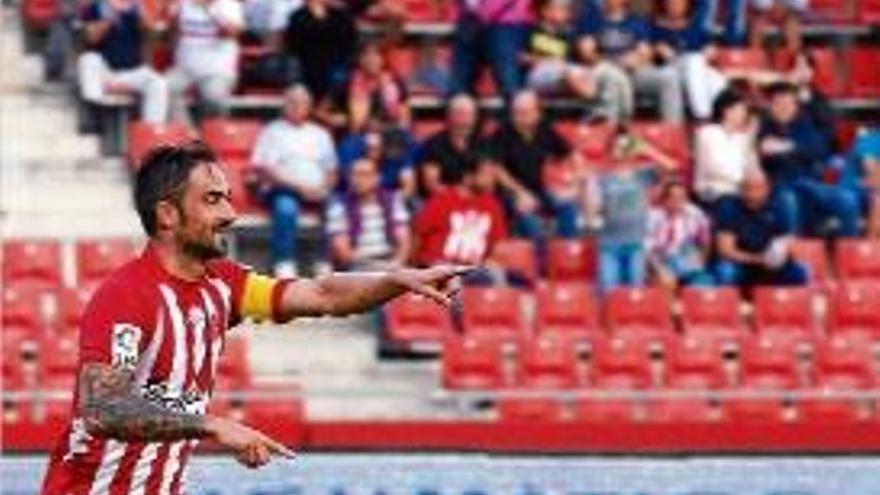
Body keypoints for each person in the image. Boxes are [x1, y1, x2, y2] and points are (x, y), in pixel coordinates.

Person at [39, 142, 469, 495]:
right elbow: (103, 409)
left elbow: (322, 294)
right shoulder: (125, 297)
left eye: (226, 197)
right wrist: (214, 426)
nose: (230, 214)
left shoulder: (223, 285)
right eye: (212, 200)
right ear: (167, 214)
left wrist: (395, 279)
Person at [250, 85, 338, 277]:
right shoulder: (272, 131)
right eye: (293, 103)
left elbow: (332, 170)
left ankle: (324, 261)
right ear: (285, 106)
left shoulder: (320, 134)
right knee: (286, 207)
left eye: (302, 103)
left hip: (317, 189)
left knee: (335, 206)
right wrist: (298, 188)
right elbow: (263, 170)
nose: (298, 107)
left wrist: (324, 187)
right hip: (282, 188)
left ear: (309, 106)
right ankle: (284, 262)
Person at [758, 82, 859, 237]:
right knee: (789, 201)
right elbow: (771, 157)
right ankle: (797, 254)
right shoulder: (765, 127)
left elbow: (819, 150)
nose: (784, 108)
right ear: (771, 106)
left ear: (795, 106)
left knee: (848, 200)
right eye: (779, 104)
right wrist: (799, 149)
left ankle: (847, 253)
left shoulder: (803, 123)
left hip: (810, 183)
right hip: (782, 184)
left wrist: (787, 146)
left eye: (789, 104)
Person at [490, 90, 581, 239]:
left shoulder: (545, 130)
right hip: (509, 193)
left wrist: (575, 183)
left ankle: (564, 250)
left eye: (524, 112)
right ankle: (540, 257)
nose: (519, 117)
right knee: (528, 217)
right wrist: (519, 192)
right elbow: (496, 169)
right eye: (516, 112)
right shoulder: (502, 133)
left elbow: (572, 154)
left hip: (537, 189)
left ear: (537, 113)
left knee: (567, 206)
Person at [577, 0, 685, 123]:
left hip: (633, 72)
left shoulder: (637, 21)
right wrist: (614, 62)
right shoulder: (592, 19)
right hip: (604, 72)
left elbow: (646, 52)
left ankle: (671, 132)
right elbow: (586, 53)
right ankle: (611, 131)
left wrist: (637, 59)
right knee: (612, 78)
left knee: (669, 77)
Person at [77, 0, 170, 123]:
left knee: (159, 83)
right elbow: (91, 38)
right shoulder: (96, 6)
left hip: (132, 72)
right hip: (105, 73)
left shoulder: (138, 6)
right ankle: (96, 111)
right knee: (88, 59)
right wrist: (110, 18)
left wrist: (140, 16)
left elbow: (154, 37)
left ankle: (151, 128)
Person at [714, 170, 807, 287]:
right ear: (740, 190)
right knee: (725, 272)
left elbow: (791, 243)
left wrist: (782, 251)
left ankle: (783, 302)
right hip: (741, 263)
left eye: (757, 188)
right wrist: (758, 259)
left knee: (800, 271)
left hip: (771, 265)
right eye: (747, 188)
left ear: (767, 189)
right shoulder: (729, 206)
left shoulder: (781, 203)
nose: (752, 194)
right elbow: (725, 250)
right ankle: (731, 303)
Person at [412, 158, 508, 269]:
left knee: (498, 275)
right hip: (439, 267)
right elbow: (418, 235)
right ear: (468, 177)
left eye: (493, 175)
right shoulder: (442, 200)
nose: (492, 180)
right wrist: (415, 267)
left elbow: (498, 244)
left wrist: (491, 261)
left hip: (475, 270)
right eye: (486, 175)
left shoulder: (492, 204)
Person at [168, 0, 244, 126]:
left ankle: (210, 136)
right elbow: (173, 32)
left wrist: (210, 11)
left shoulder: (230, 5)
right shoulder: (182, 4)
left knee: (213, 96)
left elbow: (232, 33)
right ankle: (187, 134)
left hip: (218, 70)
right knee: (163, 87)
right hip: (185, 68)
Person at [326, 158, 411, 270]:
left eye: (364, 174)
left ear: (377, 178)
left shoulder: (392, 201)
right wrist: (377, 267)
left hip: (389, 261)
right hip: (358, 266)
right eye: (354, 174)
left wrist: (398, 262)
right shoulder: (339, 206)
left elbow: (404, 240)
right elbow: (343, 253)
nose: (358, 180)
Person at [650, 0, 727, 120]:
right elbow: (656, 51)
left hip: (696, 71)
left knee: (718, 80)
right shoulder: (657, 27)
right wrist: (658, 48)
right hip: (672, 69)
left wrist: (709, 50)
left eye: (680, 2)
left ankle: (717, 120)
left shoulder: (696, 26)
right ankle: (703, 117)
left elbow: (710, 48)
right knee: (694, 60)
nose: (675, 6)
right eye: (671, 2)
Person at [450, 0, 533, 99]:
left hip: (507, 21)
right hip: (471, 19)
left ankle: (517, 109)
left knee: (509, 82)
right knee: (460, 83)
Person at [694, 89, 759, 209]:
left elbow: (751, 166)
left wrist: (751, 138)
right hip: (713, 189)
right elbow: (714, 167)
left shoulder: (742, 138)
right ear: (727, 111)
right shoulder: (708, 133)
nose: (744, 114)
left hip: (740, 190)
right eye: (741, 110)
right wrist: (744, 180)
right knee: (730, 204)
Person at [417, 94, 489, 197]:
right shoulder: (434, 144)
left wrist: (473, 185)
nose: (465, 120)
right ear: (450, 116)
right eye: (461, 114)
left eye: (469, 115)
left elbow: (487, 181)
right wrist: (458, 191)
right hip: (444, 200)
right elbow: (431, 184)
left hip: (476, 198)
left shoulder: (482, 143)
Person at [523, 0, 596, 102]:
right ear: (545, 11)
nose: (565, 12)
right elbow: (521, 57)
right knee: (572, 73)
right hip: (538, 73)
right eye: (561, 8)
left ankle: (593, 101)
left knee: (587, 73)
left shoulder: (568, 35)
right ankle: (594, 101)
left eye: (566, 9)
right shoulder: (533, 30)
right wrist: (546, 61)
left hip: (563, 73)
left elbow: (575, 61)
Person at [646, 180, 714, 289]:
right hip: (661, 262)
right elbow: (647, 252)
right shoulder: (653, 218)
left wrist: (701, 260)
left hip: (687, 260)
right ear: (664, 200)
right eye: (673, 197)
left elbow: (706, 239)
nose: (678, 201)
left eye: (682, 197)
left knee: (704, 284)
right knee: (666, 281)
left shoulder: (694, 213)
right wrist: (659, 270)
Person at [284, 0, 357, 99]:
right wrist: (317, 20)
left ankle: (326, 104)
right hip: (307, 61)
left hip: (336, 61)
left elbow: (347, 41)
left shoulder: (342, 15)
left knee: (340, 75)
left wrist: (321, 20)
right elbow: (293, 44)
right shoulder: (298, 16)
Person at [346, 41, 411, 133]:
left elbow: (405, 121)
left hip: (391, 133)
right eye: (366, 55)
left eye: (376, 55)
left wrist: (382, 127)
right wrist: (345, 119)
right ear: (360, 59)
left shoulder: (396, 81)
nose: (371, 59)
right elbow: (321, 111)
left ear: (383, 58)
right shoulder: (349, 80)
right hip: (360, 135)